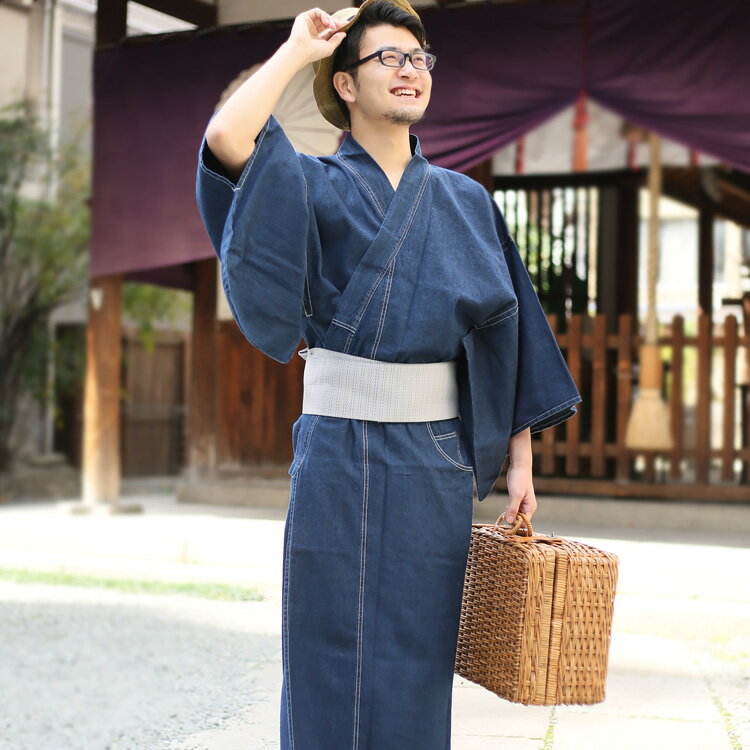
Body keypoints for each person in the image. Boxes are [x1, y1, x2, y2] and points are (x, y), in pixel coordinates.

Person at [195, 1, 581, 746]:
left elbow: (508, 331)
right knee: (323, 650)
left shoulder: (465, 201)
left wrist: (522, 457)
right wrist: (295, 51)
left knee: (416, 653)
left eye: (420, 59)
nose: (411, 71)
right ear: (343, 84)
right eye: (390, 59)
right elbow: (225, 139)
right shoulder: (306, 184)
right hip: (337, 445)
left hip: (433, 455)